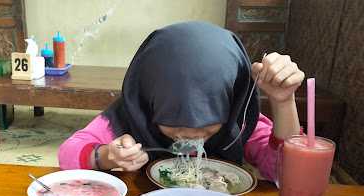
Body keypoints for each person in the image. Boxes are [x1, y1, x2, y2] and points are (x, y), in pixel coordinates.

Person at [58, 21, 304, 182]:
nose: (191, 135)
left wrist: (283, 102)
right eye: (174, 123)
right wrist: (104, 156)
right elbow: (68, 154)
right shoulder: (133, 114)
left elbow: (285, 173)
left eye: (208, 124)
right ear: (150, 97)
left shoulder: (238, 121)